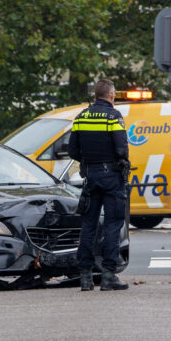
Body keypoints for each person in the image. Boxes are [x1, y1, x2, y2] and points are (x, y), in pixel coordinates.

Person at [68, 78, 129, 291]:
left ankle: (85, 276)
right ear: (111, 96)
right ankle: (108, 275)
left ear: (95, 95)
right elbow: (121, 149)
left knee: (89, 225)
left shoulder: (81, 117)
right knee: (113, 224)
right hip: (111, 176)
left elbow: (72, 150)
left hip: (90, 176)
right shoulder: (114, 116)